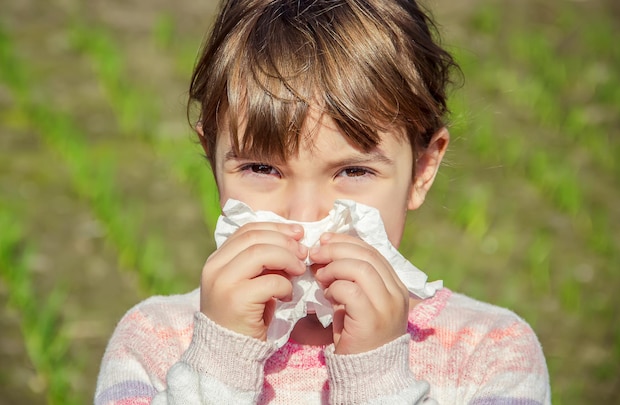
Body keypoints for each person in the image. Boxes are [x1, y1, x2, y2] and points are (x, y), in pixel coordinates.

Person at [95, 0, 550, 403]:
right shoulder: (154, 342)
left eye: (354, 171)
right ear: (213, 160)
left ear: (422, 170)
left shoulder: (492, 352)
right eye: (262, 168)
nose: (304, 214)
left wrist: (377, 380)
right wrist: (218, 362)